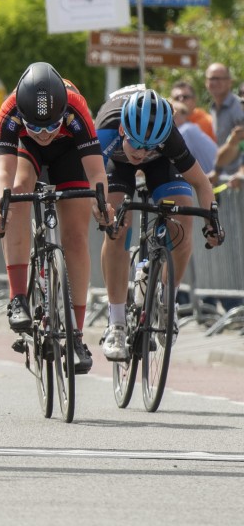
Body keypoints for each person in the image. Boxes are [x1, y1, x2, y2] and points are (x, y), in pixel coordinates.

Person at [0, 62, 111, 375]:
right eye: (36, 127)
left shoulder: (75, 107)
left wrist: (103, 205)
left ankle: (77, 335)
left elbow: (97, 171)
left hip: (70, 153)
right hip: (27, 154)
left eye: (50, 126)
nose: (43, 134)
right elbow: (2, 171)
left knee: (76, 236)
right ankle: (18, 298)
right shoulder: (10, 110)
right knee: (16, 193)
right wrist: (0, 209)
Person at [96, 87, 223, 361]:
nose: (141, 153)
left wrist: (212, 220)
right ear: (122, 132)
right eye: (137, 144)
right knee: (117, 226)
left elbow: (201, 183)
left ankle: (168, 301)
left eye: (148, 146)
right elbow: (92, 184)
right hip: (116, 165)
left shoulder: (167, 137)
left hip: (162, 165)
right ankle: (116, 323)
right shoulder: (105, 130)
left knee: (182, 219)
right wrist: (104, 212)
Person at [205, 62, 244, 176]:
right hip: (225, 177)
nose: (214, 82)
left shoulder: (239, 108)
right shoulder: (213, 108)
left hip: (238, 178)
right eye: (211, 78)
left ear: (229, 82)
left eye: (219, 78)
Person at [172, 100, 217, 175]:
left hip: (214, 179)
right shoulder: (191, 128)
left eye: (174, 116)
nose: (171, 120)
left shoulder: (186, 130)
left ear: (184, 115)